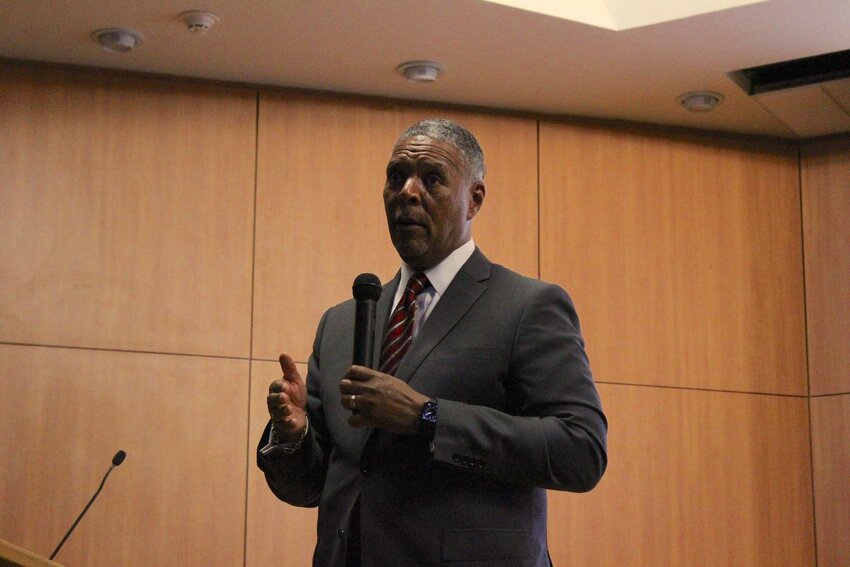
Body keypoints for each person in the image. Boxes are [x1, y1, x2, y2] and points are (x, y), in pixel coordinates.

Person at [257, 118, 607, 567]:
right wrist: (294, 434)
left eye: (432, 178)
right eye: (396, 177)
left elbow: (581, 451)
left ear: (474, 199)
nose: (408, 191)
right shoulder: (341, 323)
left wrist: (428, 416)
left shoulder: (527, 306)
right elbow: (312, 485)